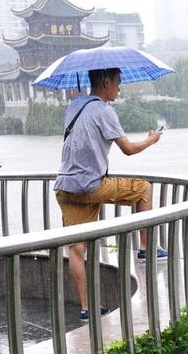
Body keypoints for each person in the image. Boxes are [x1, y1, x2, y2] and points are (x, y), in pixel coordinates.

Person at [53, 67, 163, 321]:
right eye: (118, 82)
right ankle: (145, 248)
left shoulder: (73, 107)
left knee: (77, 249)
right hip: (91, 185)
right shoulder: (104, 110)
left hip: (65, 188)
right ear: (105, 81)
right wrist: (152, 139)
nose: (119, 87)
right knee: (143, 188)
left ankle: (86, 308)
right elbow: (128, 149)